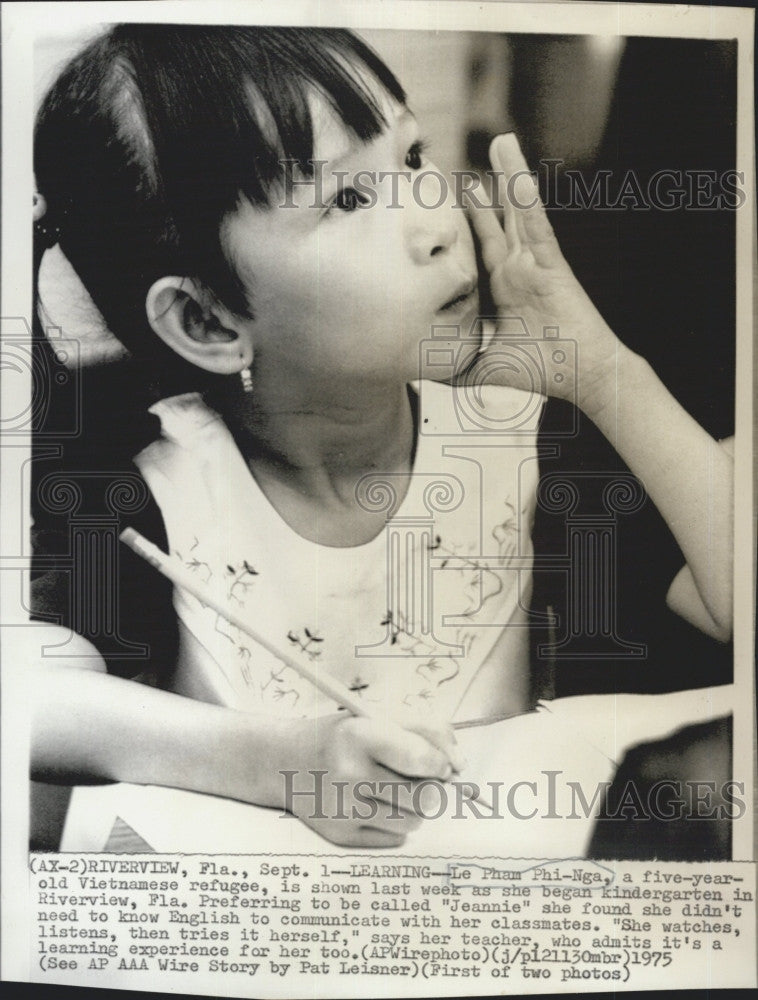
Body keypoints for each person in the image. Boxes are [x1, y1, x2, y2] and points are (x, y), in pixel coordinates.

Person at [29, 25, 732, 849]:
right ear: (206, 320)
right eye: (349, 199)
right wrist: (283, 764)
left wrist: (605, 375)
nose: (435, 221)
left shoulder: (523, 440)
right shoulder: (142, 496)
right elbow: (29, 702)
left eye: (411, 157)